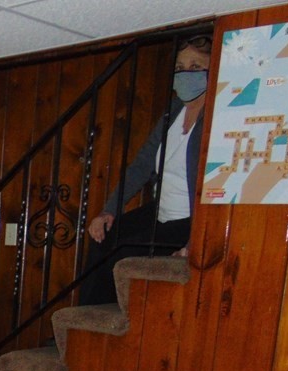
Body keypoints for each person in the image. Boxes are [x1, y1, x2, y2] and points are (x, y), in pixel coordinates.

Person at [79, 35, 211, 305]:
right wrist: (108, 210)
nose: (185, 73)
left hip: (189, 220)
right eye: (180, 67)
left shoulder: (215, 119)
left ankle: (111, 318)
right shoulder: (173, 112)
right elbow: (141, 166)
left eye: (196, 67)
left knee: (124, 253)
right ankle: (84, 316)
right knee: (104, 237)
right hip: (160, 211)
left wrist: (194, 240)